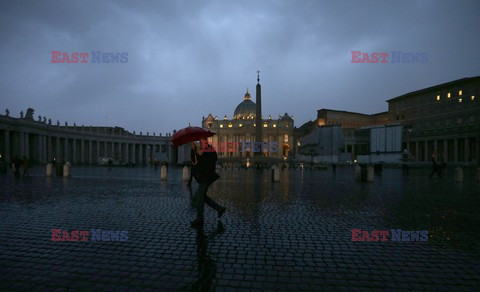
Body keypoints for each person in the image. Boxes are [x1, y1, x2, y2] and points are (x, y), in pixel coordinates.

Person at [191, 138, 226, 228]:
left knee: (200, 197)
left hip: (207, 177)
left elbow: (210, 163)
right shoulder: (201, 150)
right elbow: (195, 162)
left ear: (206, 142)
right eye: (200, 141)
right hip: (201, 176)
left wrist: (202, 155)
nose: (201, 143)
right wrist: (194, 150)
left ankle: (200, 220)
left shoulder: (211, 151)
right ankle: (219, 209)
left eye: (202, 141)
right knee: (203, 196)